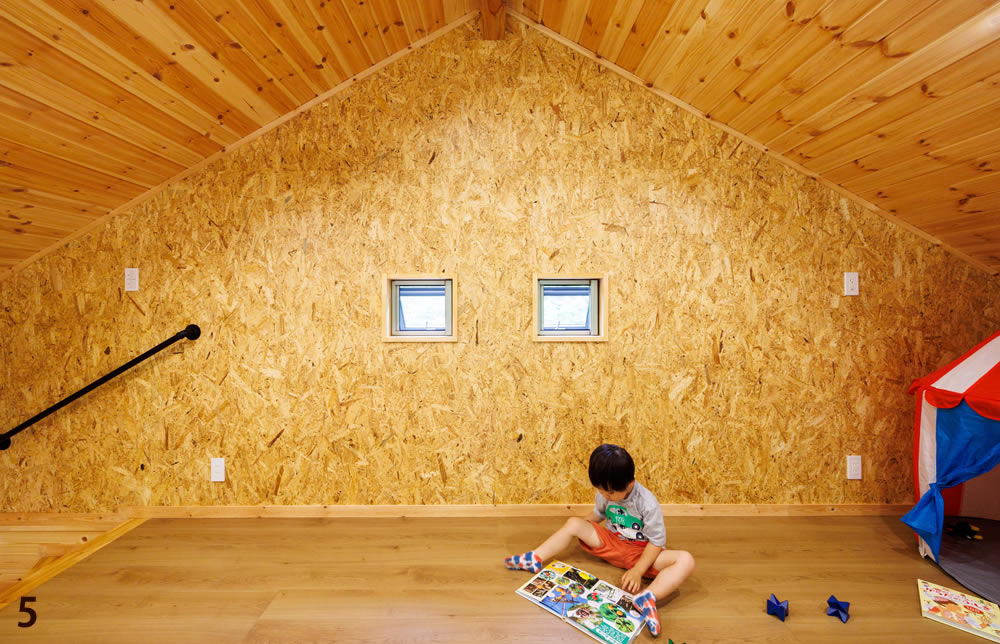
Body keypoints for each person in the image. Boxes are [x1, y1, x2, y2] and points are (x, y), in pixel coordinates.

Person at [504, 444, 694, 637]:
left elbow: (656, 543)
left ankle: (648, 597)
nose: (604, 495)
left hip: (642, 554)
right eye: (600, 490)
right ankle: (535, 558)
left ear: (630, 483)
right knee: (573, 523)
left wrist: (638, 571)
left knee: (686, 560)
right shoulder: (605, 491)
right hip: (612, 544)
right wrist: (579, 527)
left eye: (609, 493)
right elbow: (598, 514)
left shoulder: (647, 503)